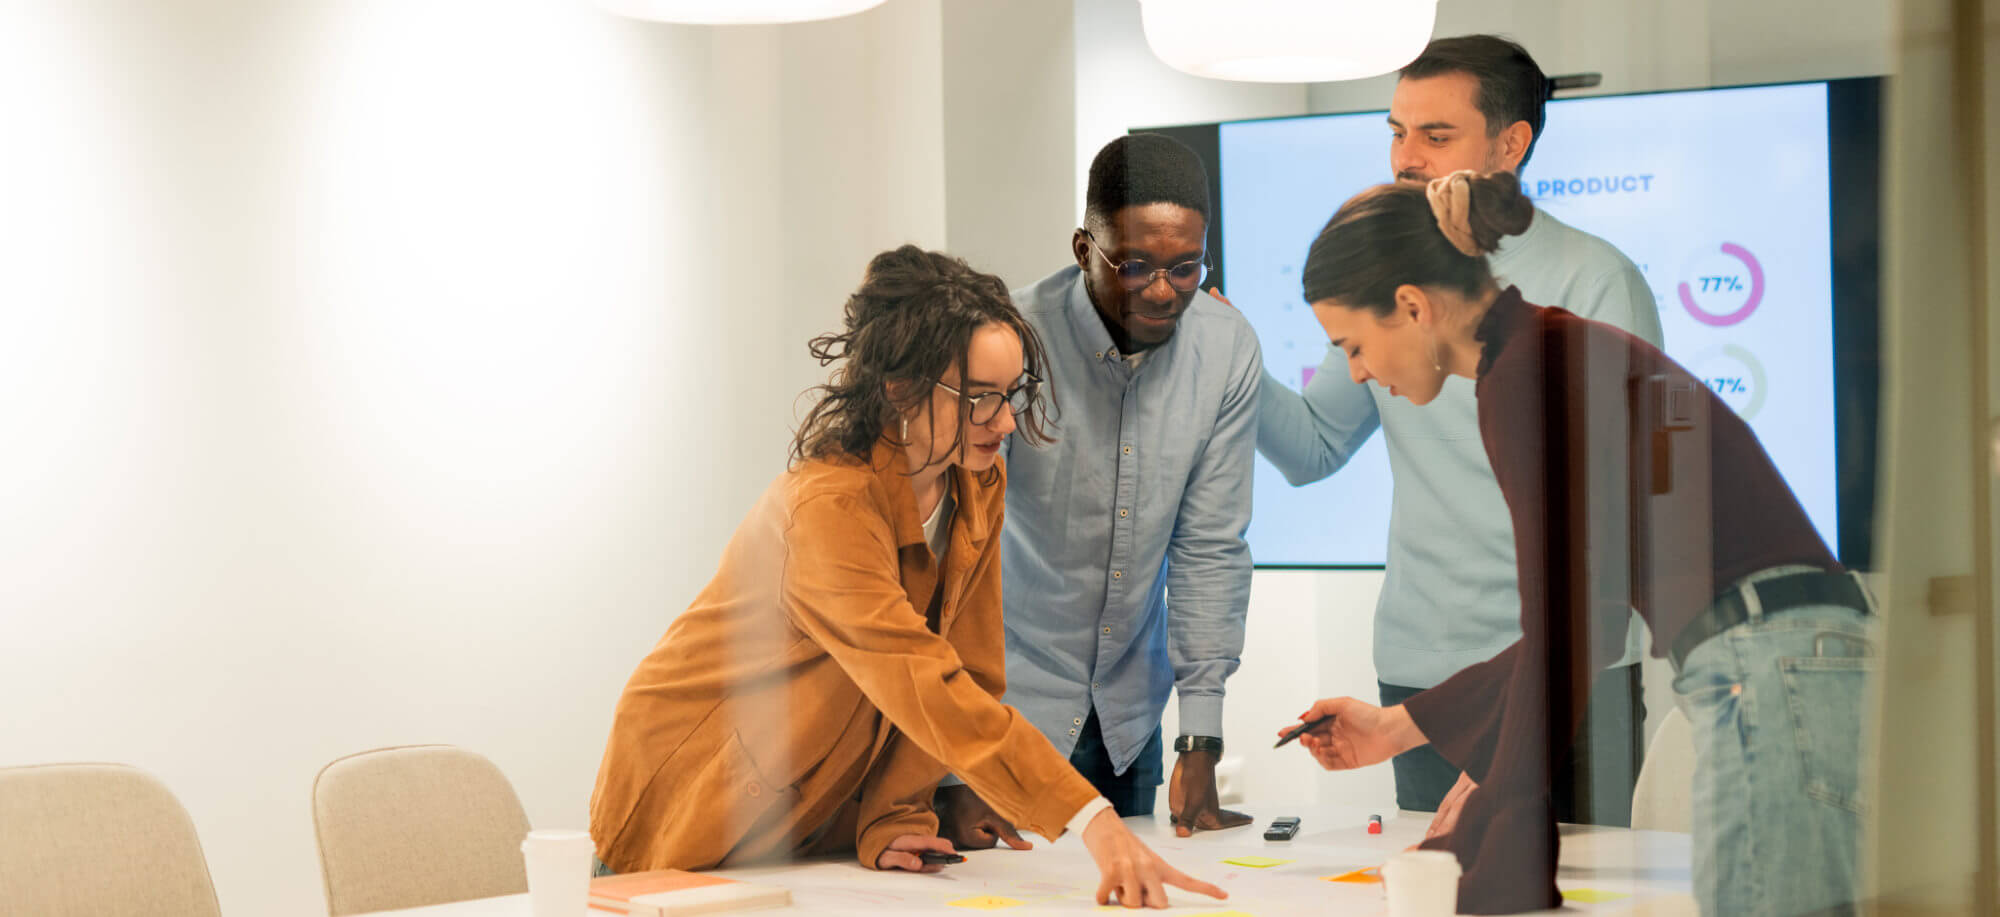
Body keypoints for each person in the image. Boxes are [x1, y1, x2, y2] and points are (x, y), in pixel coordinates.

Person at [1279, 171, 1871, 915]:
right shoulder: (1544, 348)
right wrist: (1413, 732)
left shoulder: (1523, 374)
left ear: (1411, 306)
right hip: (1799, 659)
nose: (1359, 372)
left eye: (1353, 345)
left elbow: (1564, 627)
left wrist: (1498, 827)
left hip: (1769, 661)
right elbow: (1584, 619)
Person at [589, 245, 1227, 909]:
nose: (1005, 421)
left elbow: (971, 668)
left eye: (1012, 395)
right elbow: (923, 679)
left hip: (797, 820)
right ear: (900, 386)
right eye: (981, 399)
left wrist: (896, 812)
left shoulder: (975, 478)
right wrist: (1089, 815)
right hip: (689, 800)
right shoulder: (825, 509)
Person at [1250, 34, 1664, 829]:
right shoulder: (1386, 280)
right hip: (1423, 664)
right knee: (1443, 891)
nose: (1407, 159)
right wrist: (1217, 344)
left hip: (1576, 666)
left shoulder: (1594, 282)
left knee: (1579, 889)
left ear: (1511, 145)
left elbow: (1621, 521)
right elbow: (1310, 447)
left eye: (1436, 137)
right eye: (1396, 132)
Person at [933, 133, 1261, 846]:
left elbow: (1208, 546)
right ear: (1084, 249)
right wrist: (951, 767)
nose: (1163, 289)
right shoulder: (1010, 339)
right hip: (1005, 714)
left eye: (1186, 267)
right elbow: (950, 551)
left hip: (1127, 722)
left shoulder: (1228, 348)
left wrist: (1198, 738)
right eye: (1136, 265)